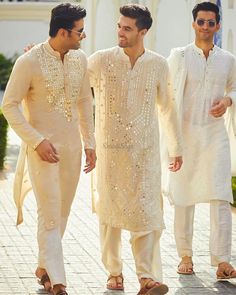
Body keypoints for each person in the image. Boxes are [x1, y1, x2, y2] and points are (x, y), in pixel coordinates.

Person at [1, 3, 96, 295]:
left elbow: (84, 102)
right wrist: (36, 140)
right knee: (50, 212)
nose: (83, 35)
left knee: (63, 212)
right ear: (64, 31)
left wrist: (89, 143)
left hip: (71, 151)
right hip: (42, 152)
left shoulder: (80, 60)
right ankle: (58, 280)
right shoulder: (28, 61)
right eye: (80, 30)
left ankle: (44, 267)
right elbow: (9, 105)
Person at [88, 4, 182, 295]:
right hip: (110, 151)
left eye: (127, 28)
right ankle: (114, 273)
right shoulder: (101, 60)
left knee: (145, 213)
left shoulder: (157, 64)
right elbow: (75, 80)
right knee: (110, 213)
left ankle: (146, 277)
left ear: (143, 31)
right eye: (119, 26)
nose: (120, 32)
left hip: (145, 154)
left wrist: (176, 147)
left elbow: (167, 108)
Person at [166, 1, 236, 279]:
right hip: (185, 136)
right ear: (193, 24)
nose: (205, 27)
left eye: (211, 22)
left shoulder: (228, 60)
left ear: (218, 26)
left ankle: (222, 261)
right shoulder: (179, 56)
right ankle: (185, 254)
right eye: (201, 22)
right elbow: (168, 99)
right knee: (184, 197)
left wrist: (229, 100)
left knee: (220, 195)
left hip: (215, 136)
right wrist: (173, 144)